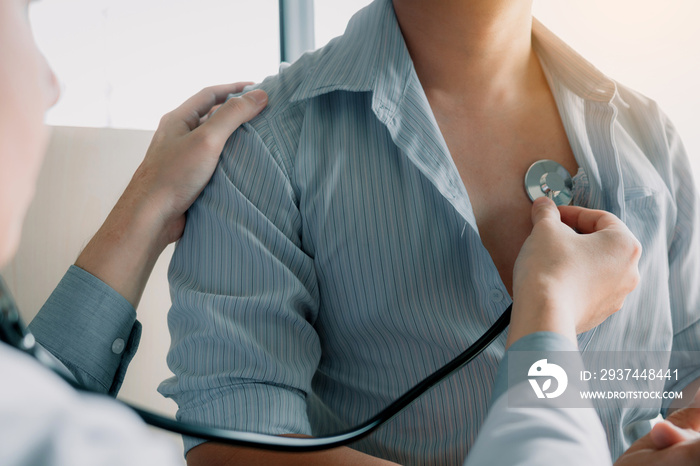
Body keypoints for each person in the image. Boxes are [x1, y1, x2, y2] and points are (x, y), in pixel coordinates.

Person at [0, 0, 698, 465]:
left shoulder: (650, 138)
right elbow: (236, 448)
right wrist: (548, 319)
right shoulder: (270, 150)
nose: (51, 82)